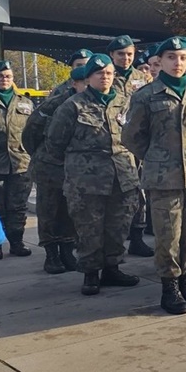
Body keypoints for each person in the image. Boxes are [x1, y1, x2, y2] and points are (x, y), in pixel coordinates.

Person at [123, 36, 186, 314]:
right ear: (159, 62)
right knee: (168, 235)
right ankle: (170, 287)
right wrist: (157, 156)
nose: (178, 63)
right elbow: (131, 137)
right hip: (163, 178)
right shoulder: (145, 96)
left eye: (183, 58)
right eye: (172, 57)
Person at [46, 54, 140, 296]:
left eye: (109, 72)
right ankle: (90, 274)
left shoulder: (125, 102)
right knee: (89, 229)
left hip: (122, 177)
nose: (105, 77)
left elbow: (137, 136)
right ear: (88, 78)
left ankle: (112, 268)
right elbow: (55, 143)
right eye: (99, 73)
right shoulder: (73, 106)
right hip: (87, 181)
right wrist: (76, 168)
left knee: (118, 227)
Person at [22, 66, 88, 274]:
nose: (87, 87)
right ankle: (51, 253)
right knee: (49, 210)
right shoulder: (56, 103)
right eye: (83, 84)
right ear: (74, 84)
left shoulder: (89, 103)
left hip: (73, 165)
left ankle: (67, 251)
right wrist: (43, 155)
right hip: (49, 166)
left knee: (69, 209)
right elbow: (30, 133)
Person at [0, 60, 34, 259]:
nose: (4, 80)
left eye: (8, 76)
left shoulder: (25, 102)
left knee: (18, 206)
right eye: (0, 76)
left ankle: (17, 242)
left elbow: (32, 132)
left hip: (20, 162)